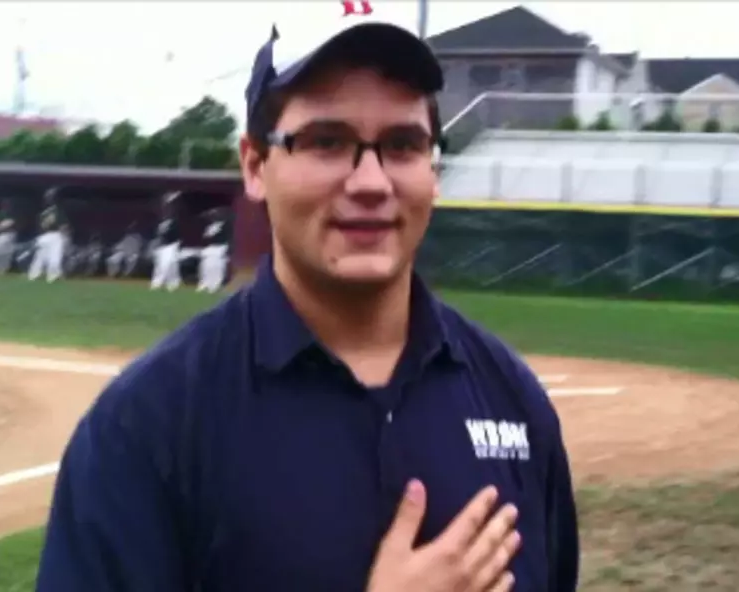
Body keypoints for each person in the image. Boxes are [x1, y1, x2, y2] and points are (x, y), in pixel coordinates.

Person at [36, 9, 579, 592]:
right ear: (254, 165)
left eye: (402, 144)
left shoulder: (514, 401)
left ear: (434, 168)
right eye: (326, 141)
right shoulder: (147, 426)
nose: (370, 182)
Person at [28, 187, 67, 282]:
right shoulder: (57, 210)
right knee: (55, 256)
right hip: (55, 235)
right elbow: (63, 226)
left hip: (42, 237)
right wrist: (65, 235)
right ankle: (52, 276)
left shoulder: (43, 213)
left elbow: (39, 227)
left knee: (40, 257)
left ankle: (33, 275)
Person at [150, 192, 182, 291]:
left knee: (168, 264)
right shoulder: (161, 223)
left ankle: (163, 284)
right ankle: (167, 283)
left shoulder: (175, 221)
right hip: (162, 246)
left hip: (171, 245)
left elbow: (175, 233)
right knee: (165, 265)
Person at [196, 207, 230, 293]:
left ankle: (215, 284)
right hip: (209, 248)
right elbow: (205, 237)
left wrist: (227, 249)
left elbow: (226, 238)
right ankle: (205, 282)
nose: (214, 217)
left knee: (217, 266)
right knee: (206, 265)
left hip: (220, 247)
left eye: (216, 215)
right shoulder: (210, 226)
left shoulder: (225, 225)